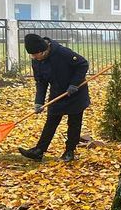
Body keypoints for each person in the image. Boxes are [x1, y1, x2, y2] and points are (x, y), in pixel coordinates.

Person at [18, 33, 91, 162]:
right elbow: (41, 82)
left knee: (74, 123)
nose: (34, 57)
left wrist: (74, 84)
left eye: (36, 55)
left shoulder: (62, 53)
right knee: (51, 122)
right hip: (57, 93)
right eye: (32, 55)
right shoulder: (37, 61)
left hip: (76, 92)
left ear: (43, 50)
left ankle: (70, 151)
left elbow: (83, 64)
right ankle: (39, 150)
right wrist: (38, 102)